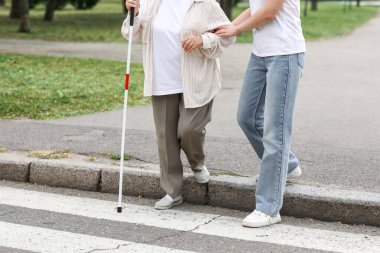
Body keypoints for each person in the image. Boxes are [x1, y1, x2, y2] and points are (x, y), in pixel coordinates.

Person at [122, 0, 235, 210]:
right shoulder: (150, 2)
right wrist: (134, 13)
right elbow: (131, 34)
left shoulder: (204, 3)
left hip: (197, 77)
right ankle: (172, 191)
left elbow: (228, 35)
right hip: (163, 77)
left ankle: (197, 162)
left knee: (189, 129)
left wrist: (203, 39)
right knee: (166, 137)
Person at [216, 0, 306, 227]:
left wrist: (236, 30)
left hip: (285, 54)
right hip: (261, 54)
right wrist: (224, 27)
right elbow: (253, 10)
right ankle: (289, 166)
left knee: (276, 131)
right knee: (246, 116)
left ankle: (269, 208)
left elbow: (268, 13)